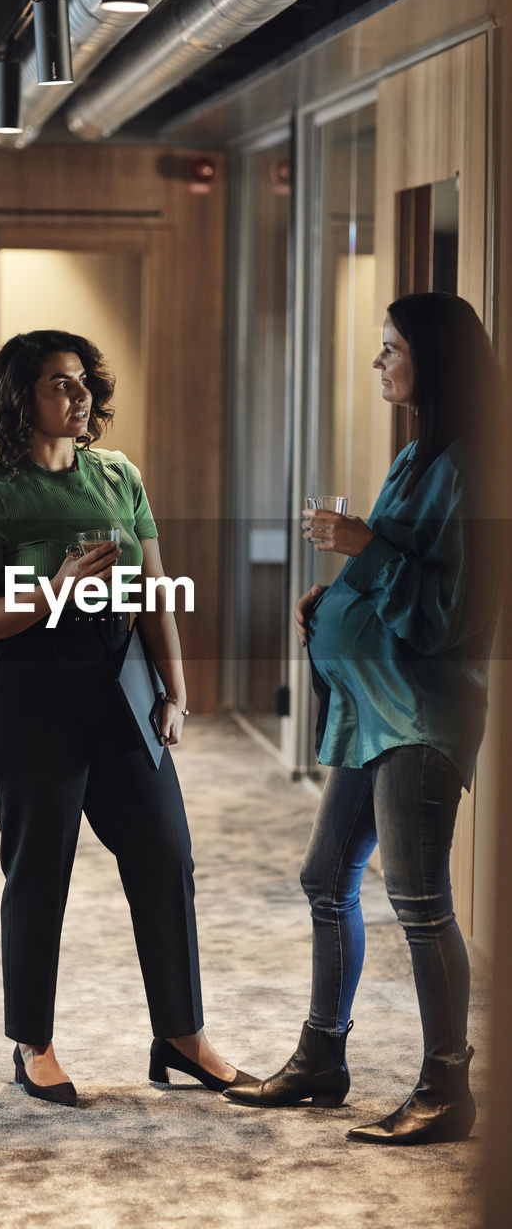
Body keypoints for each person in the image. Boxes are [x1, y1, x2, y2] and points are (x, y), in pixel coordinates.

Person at [225, 293, 501, 1145]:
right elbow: (392, 566)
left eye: (391, 349)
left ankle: (446, 1088)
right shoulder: (416, 455)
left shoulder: (474, 467)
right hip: (368, 707)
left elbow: (448, 616)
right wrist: (333, 591)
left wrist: (359, 550)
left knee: (418, 902)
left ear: (435, 360)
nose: (379, 363)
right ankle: (321, 1059)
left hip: (420, 716)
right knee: (323, 879)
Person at [0, 329, 256, 1107]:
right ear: (19, 397)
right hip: (28, 690)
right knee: (41, 872)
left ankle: (181, 1037)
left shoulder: (117, 473)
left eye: (83, 382)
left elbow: (154, 589)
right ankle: (32, 1044)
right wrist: (56, 585)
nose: (80, 396)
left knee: (165, 854)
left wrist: (175, 689)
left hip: (120, 683)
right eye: (60, 384)